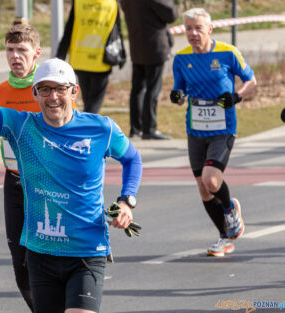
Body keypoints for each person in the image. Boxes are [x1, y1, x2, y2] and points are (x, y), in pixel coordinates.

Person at [0, 24, 142, 313]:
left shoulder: (100, 128)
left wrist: (126, 200)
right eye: (44, 89)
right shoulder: (22, 127)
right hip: (41, 253)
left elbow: (133, 159)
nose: (52, 97)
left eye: (59, 90)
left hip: (85, 251)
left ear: (74, 91)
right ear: (36, 92)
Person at [170, 8, 257, 257]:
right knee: (203, 188)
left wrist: (236, 97)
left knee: (211, 179)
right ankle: (224, 237)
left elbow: (251, 81)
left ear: (210, 29)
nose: (193, 33)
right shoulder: (181, 58)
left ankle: (230, 209)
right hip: (195, 130)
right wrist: (177, 96)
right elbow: (180, 92)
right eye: (188, 28)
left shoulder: (228, 53)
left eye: (198, 28)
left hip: (223, 129)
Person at [0, 23, 42, 311]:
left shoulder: (48, 88)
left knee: (41, 255)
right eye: (10, 50)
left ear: (36, 53)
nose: (15, 56)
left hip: (46, 183)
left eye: (22, 50)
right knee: (19, 260)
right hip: (14, 182)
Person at [120, 0, 178, 140]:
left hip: (137, 47)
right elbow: (172, 14)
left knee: (137, 90)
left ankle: (136, 129)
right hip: (155, 47)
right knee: (153, 89)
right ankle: (149, 128)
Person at [56, 0, 125, 114]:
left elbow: (69, 29)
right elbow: (117, 31)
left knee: (88, 100)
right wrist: (122, 55)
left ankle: (86, 124)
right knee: (94, 103)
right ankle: (87, 126)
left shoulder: (79, 3)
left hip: (80, 60)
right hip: (101, 61)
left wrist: (60, 55)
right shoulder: (111, 4)